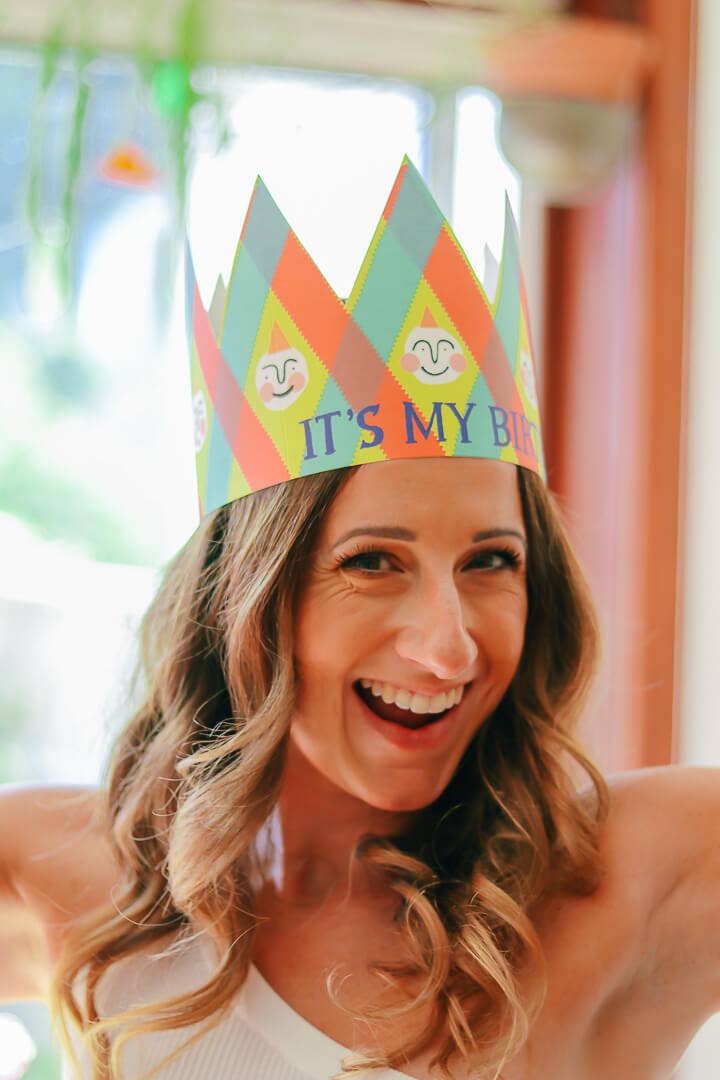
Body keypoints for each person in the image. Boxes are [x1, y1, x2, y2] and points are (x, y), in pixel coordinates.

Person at [1, 161, 718, 1080]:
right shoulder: (77, 882)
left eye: (490, 563)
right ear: (248, 597)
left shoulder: (634, 878)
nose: (448, 645)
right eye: (372, 563)